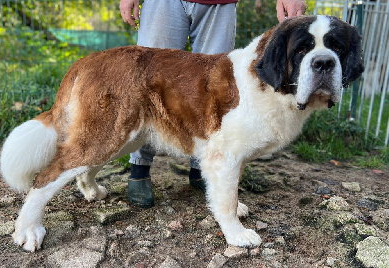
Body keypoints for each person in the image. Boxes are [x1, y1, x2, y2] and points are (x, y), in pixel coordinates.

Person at [120, 0, 306, 208]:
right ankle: (139, 169)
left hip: (219, 2)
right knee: (148, 82)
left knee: (214, 91)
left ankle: (204, 171)